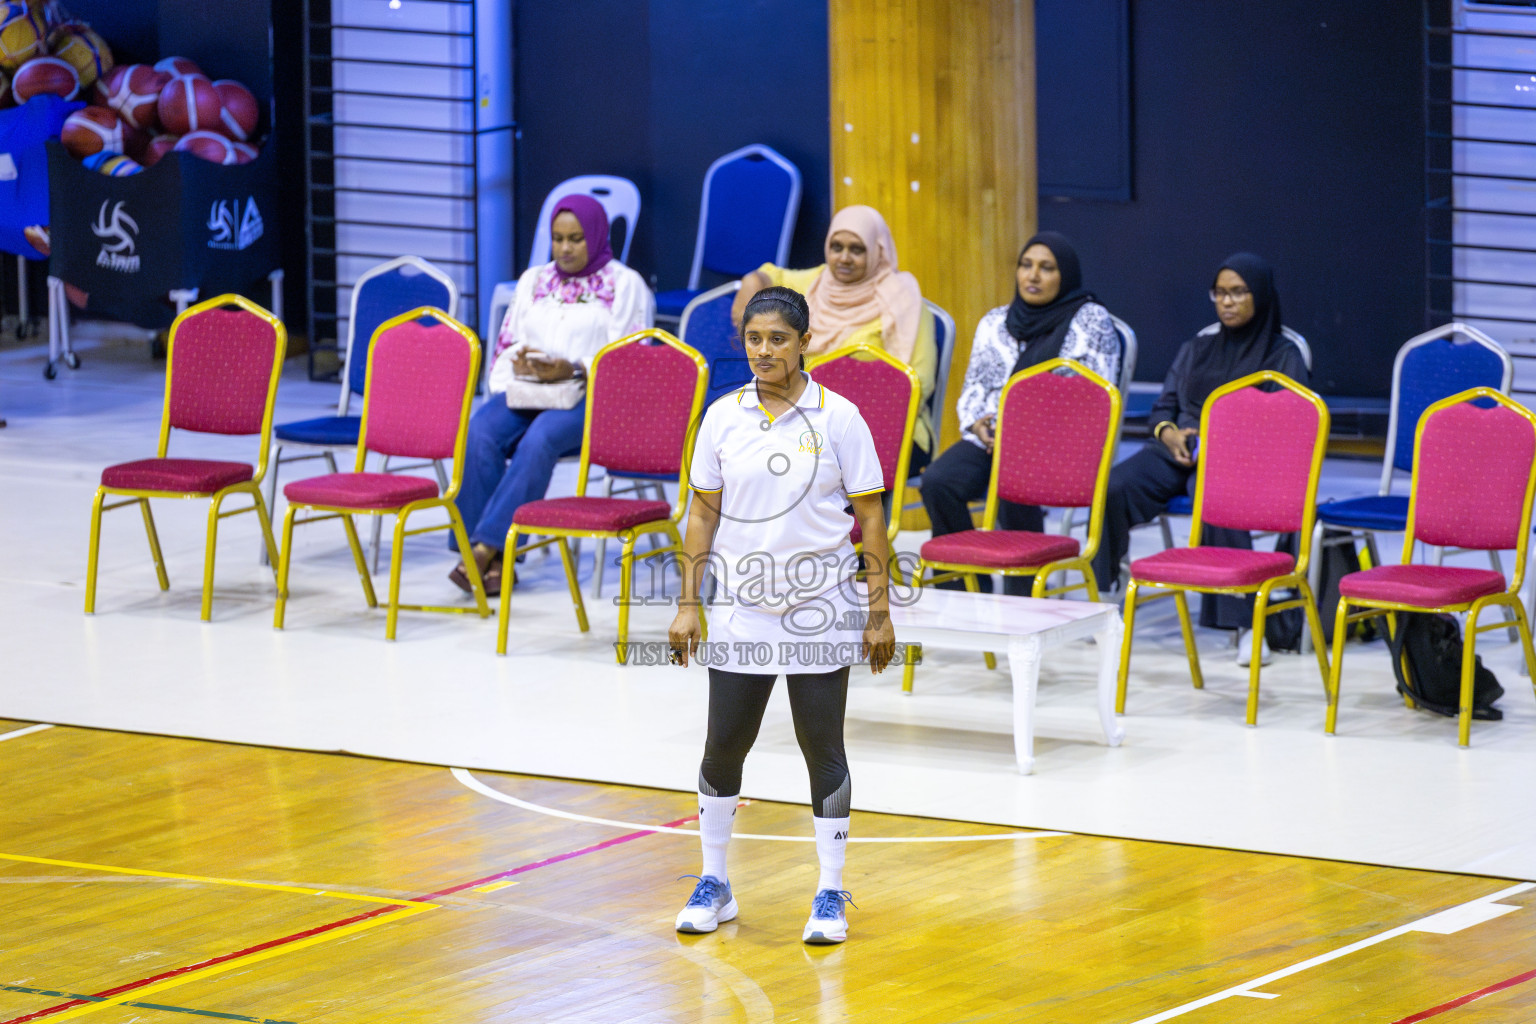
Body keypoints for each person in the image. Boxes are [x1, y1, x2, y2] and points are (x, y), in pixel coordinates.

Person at [668, 286, 896, 946]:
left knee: (822, 750)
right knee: (723, 748)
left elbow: (873, 518)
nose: (764, 351)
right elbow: (703, 513)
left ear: (805, 343)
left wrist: (878, 613)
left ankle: (829, 890)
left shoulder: (841, 418)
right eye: (753, 340)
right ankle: (715, 880)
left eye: (778, 339)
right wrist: (689, 603)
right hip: (741, 611)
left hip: (820, 610)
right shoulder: (723, 416)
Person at [1090, 253, 1308, 660]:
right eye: (1220, 293)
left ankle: (1246, 625)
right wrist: (1169, 433)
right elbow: (1162, 408)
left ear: (1259, 296)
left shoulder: (1283, 356)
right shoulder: (1197, 348)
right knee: (1113, 485)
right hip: (1178, 450)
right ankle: (1105, 593)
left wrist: (1223, 441)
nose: (1227, 302)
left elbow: (1291, 425)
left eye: (1238, 292)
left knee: (1219, 498)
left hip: (1241, 461)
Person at [449, 196, 653, 594]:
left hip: (591, 397)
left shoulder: (624, 284)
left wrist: (575, 366)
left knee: (539, 439)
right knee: (479, 432)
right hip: (530, 390)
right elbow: (507, 342)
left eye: (575, 239)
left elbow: (632, 359)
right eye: (558, 239)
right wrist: (521, 365)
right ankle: (492, 560)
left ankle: (485, 547)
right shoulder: (533, 280)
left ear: (595, 237)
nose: (565, 248)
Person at [920, 232, 1121, 594]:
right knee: (939, 481)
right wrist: (979, 424)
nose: (1033, 276)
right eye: (1026, 266)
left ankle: (1024, 595)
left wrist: (1023, 435)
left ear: (1066, 276)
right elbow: (974, 389)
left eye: (1046, 268)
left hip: (1057, 445)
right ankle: (967, 589)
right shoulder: (995, 322)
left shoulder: (1090, 320)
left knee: (1015, 476)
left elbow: (1094, 397)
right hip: (993, 439)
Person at [731, 205, 938, 470]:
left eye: (857, 249)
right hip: (807, 421)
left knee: (800, 466)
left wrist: (848, 422)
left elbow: (919, 378)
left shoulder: (903, 298)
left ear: (877, 251)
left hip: (885, 427)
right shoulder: (817, 282)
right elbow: (771, 275)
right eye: (836, 247)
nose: (844, 258)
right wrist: (752, 281)